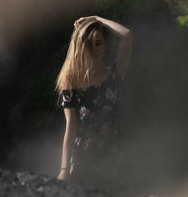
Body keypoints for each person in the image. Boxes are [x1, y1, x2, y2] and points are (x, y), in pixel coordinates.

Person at [56, 15, 132, 189]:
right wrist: (64, 169)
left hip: (114, 152)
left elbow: (127, 35)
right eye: (88, 44)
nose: (94, 49)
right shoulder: (71, 80)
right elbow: (71, 127)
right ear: (80, 46)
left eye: (98, 42)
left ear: (105, 44)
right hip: (84, 155)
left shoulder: (114, 75)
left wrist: (97, 19)